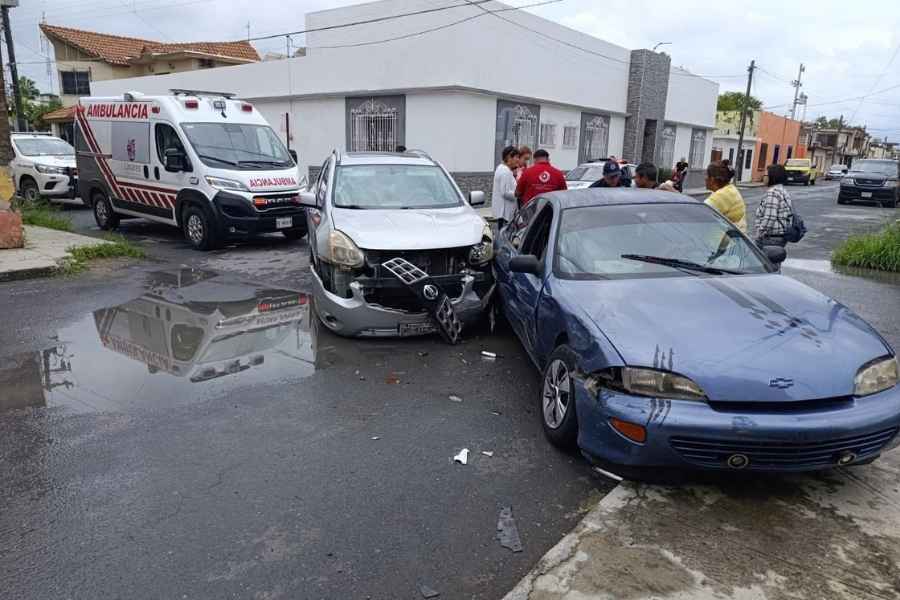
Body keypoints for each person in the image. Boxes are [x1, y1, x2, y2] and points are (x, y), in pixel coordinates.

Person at [754, 164, 793, 247]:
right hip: (780, 236)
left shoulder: (772, 192)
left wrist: (760, 233)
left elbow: (770, 217)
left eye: (766, 175)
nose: (764, 177)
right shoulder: (782, 190)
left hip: (771, 237)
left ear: (773, 177)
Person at [704, 161, 747, 233]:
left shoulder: (721, 195)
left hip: (727, 238)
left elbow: (699, 213)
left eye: (706, 175)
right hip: (734, 235)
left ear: (712, 179)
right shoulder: (730, 189)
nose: (704, 178)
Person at [492, 145, 520, 227]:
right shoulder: (505, 171)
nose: (518, 160)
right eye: (516, 157)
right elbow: (505, 192)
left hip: (503, 214)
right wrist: (518, 194)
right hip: (505, 214)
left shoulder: (502, 168)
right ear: (509, 157)